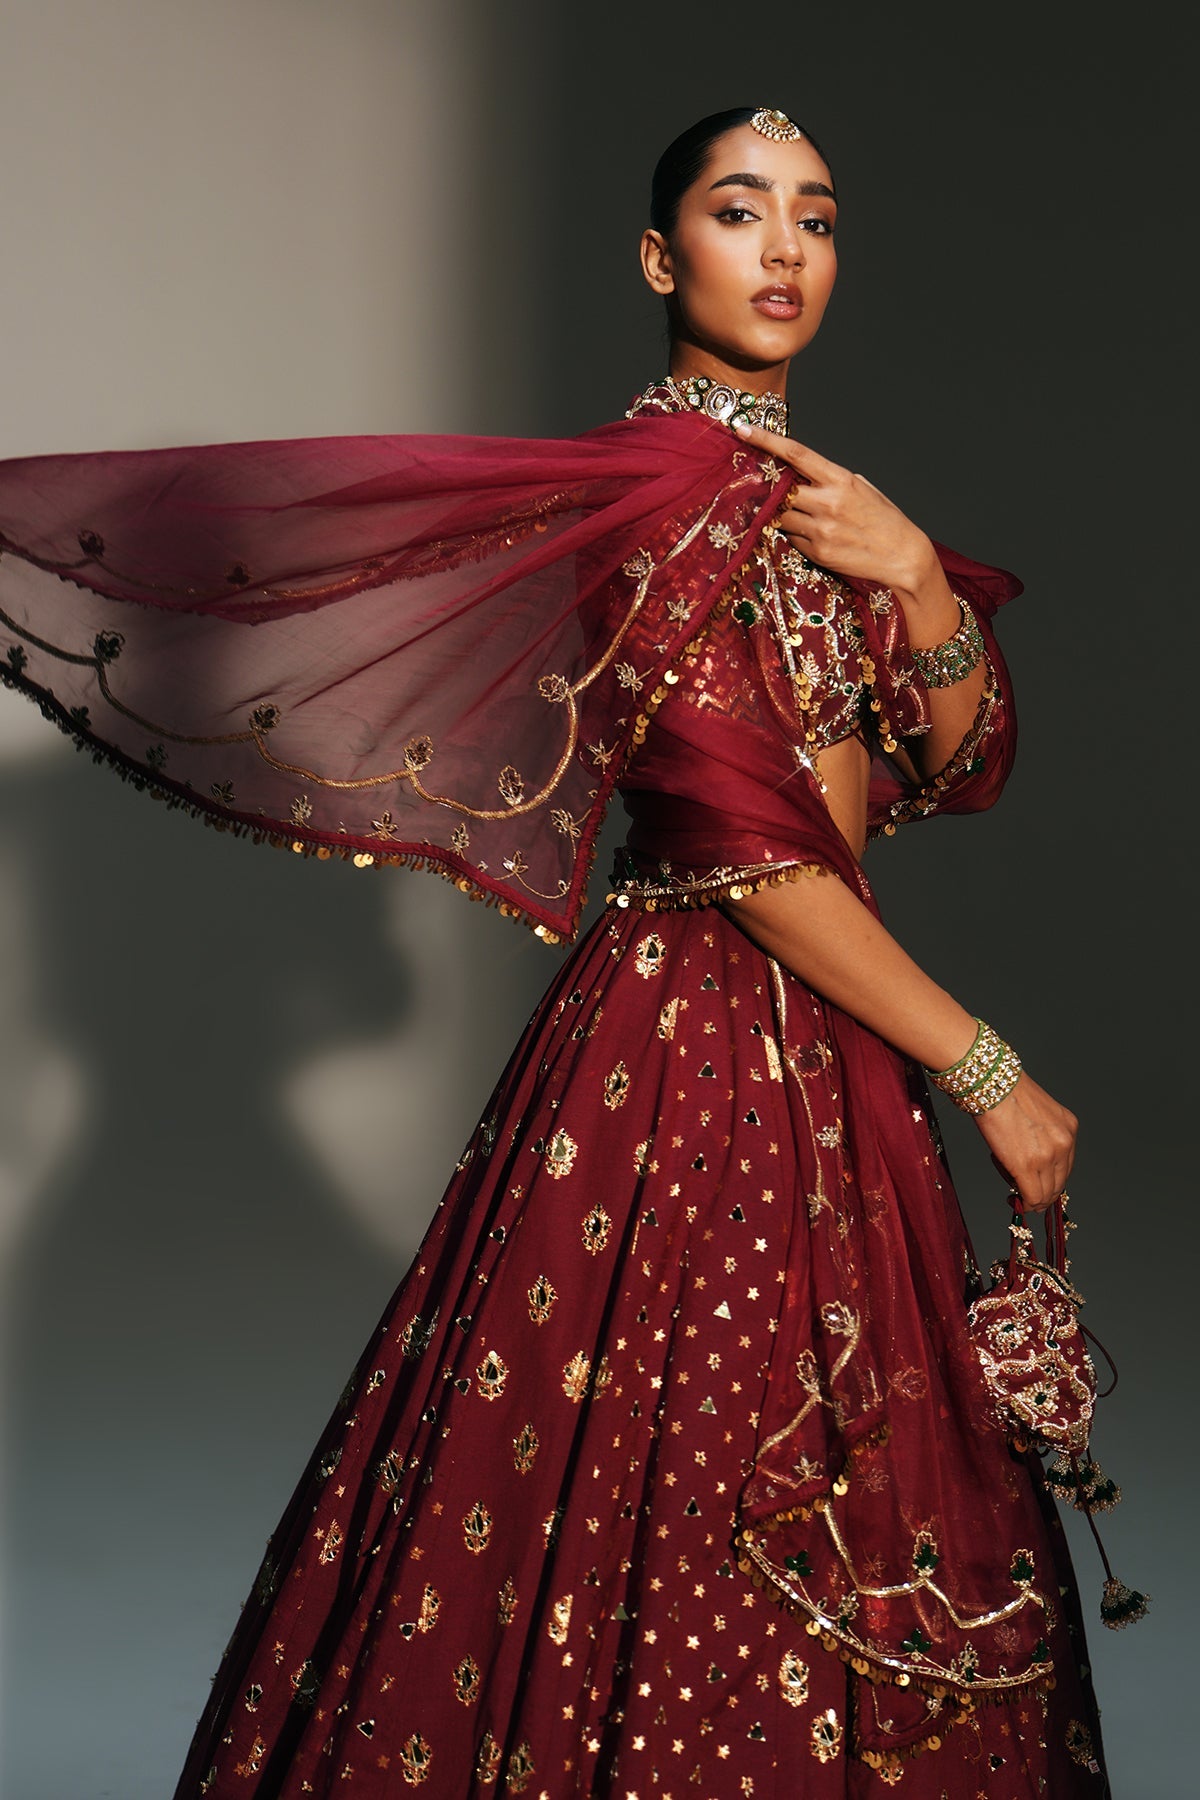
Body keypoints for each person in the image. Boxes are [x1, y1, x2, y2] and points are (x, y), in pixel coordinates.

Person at [0, 106, 1115, 1795]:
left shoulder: (817, 506)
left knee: (848, 1494)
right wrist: (988, 1068)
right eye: (741, 212)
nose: (787, 248)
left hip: (838, 1045)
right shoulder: (657, 501)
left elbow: (953, 771)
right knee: (666, 1498)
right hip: (691, 1056)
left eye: (817, 217)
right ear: (663, 258)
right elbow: (743, 843)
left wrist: (920, 583)